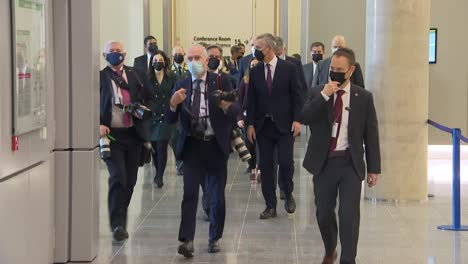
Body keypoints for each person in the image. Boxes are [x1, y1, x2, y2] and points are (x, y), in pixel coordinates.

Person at [301, 48, 381, 264]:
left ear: (351, 70)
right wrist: (325, 95)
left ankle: (348, 259)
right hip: (324, 163)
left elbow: (371, 134)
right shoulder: (317, 92)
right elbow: (304, 117)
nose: (335, 73)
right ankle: (330, 249)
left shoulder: (363, 97)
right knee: (324, 213)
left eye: (340, 70)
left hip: (350, 164)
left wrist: (374, 168)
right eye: (332, 69)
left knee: (349, 215)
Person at [167, 44, 241, 257]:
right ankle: (187, 240)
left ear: (207, 60)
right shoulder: (181, 84)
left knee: (216, 195)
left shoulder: (221, 81)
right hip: (192, 145)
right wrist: (173, 104)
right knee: (189, 194)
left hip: (215, 146)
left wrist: (227, 107)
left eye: (197, 57)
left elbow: (236, 109)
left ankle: (214, 237)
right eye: (189, 58)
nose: (192, 62)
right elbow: (171, 118)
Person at [100, 41, 153, 242]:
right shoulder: (100, 77)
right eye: (111, 52)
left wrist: (144, 110)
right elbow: (89, 103)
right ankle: (117, 224)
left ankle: (121, 216)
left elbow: (151, 98)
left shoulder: (136, 74)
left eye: (118, 51)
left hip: (134, 134)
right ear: (105, 56)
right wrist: (97, 123)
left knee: (130, 181)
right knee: (118, 178)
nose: (115, 54)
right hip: (112, 135)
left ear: (125, 53)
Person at [246, 33, 302, 219]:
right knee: (266, 166)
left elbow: (297, 96)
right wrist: (250, 124)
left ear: (269, 48)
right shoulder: (254, 71)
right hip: (264, 126)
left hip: (285, 125)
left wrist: (297, 120)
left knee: (286, 162)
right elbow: (251, 100)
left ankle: (288, 193)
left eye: (258, 47)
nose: (255, 51)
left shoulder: (289, 69)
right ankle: (270, 205)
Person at [145, 50, 177, 188]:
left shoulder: (172, 77)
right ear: (152, 63)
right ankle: (157, 170)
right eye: (155, 60)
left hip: (166, 115)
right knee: (154, 147)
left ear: (165, 62)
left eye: (160, 60)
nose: (158, 63)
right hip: (152, 116)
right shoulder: (147, 79)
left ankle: (159, 176)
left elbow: (175, 92)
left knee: (162, 145)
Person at [237, 58, 259, 181]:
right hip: (247, 116)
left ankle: (259, 167)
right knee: (249, 143)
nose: (254, 67)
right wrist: (239, 117)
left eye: (256, 65)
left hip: (260, 117)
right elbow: (239, 100)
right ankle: (252, 166)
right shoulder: (244, 81)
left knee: (259, 144)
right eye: (252, 65)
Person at [170, 45, 188, 176]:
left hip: (187, 110)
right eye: (176, 54)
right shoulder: (169, 72)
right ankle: (179, 162)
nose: (178, 56)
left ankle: (183, 163)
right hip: (174, 108)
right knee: (175, 138)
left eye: (180, 53)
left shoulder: (189, 70)